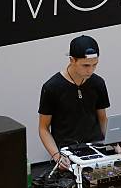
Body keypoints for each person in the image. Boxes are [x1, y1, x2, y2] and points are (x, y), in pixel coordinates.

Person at [38, 35, 110, 170]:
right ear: (72, 60)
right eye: (85, 65)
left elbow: (102, 119)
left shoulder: (98, 83)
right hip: (67, 154)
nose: (91, 70)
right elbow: (43, 128)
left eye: (95, 65)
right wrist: (56, 155)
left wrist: (114, 141)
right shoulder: (52, 87)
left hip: (97, 151)